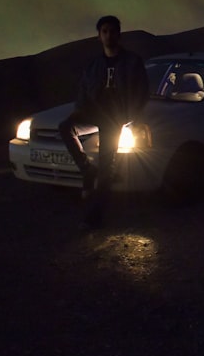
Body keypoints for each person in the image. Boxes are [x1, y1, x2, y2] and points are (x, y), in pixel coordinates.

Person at [59, 15, 149, 229]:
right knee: (65, 127)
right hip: (93, 112)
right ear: (99, 36)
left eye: (112, 31)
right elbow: (83, 89)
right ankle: (87, 169)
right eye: (105, 32)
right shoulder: (94, 65)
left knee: (107, 169)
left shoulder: (132, 62)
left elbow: (142, 91)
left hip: (115, 117)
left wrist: (131, 116)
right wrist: (78, 111)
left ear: (119, 34)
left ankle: (94, 216)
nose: (109, 35)